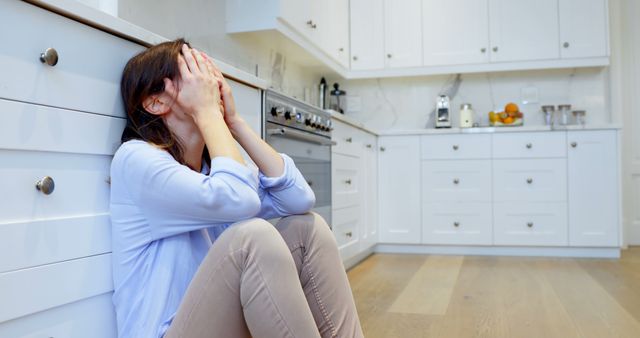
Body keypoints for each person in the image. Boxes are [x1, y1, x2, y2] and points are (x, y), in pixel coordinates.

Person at [109, 39, 363, 338]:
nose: (209, 82)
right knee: (252, 237)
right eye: (193, 72)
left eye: (208, 72)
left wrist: (235, 122)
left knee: (309, 229)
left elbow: (299, 199)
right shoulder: (137, 159)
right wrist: (208, 114)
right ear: (155, 102)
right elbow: (238, 199)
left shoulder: (213, 170)